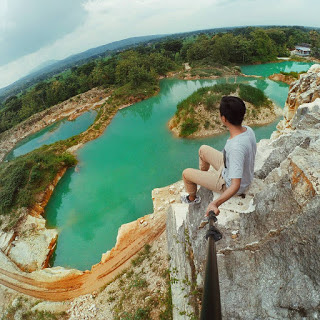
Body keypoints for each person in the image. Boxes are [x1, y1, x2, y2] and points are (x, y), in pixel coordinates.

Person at [181, 96, 257, 216]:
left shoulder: (236, 147)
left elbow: (235, 185)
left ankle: (192, 198)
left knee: (186, 174)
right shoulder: (248, 130)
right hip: (228, 167)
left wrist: (215, 204)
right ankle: (205, 177)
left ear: (224, 118)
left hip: (227, 183)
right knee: (203, 149)